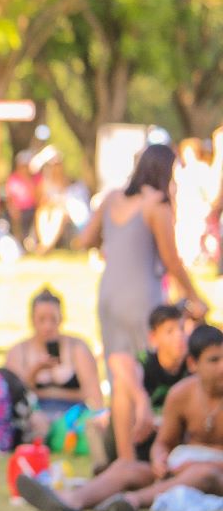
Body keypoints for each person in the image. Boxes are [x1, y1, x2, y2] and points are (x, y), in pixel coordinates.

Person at [16, 324, 223, 511]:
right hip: (181, 468)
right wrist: (159, 458)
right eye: (214, 361)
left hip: (211, 472)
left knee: (203, 473)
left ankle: (131, 501)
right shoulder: (181, 395)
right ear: (193, 364)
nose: (222, 368)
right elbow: (164, 442)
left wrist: (199, 463)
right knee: (126, 467)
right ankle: (71, 500)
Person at [76, 144, 208, 389]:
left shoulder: (113, 197)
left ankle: (119, 422)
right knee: (145, 369)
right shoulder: (157, 204)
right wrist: (194, 296)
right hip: (142, 295)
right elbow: (171, 259)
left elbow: (85, 239)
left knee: (117, 368)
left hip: (108, 292)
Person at [91, 304, 190, 466]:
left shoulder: (192, 365)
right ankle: (127, 463)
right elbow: (117, 360)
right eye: (170, 331)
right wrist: (142, 400)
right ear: (153, 337)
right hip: (137, 436)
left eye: (182, 329)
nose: (179, 336)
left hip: (169, 437)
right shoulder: (146, 362)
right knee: (122, 387)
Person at [4, 288, 103, 425]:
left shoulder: (78, 348)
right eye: (42, 320)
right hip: (34, 417)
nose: (48, 326)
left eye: (53, 319)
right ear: (32, 320)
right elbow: (14, 398)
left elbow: (94, 397)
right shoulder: (18, 351)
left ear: (61, 318)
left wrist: (46, 393)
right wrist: (35, 370)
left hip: (72, 417)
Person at [5, 150, 37, 246]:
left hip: (32, 209)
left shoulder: (36, 179)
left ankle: (31, 241)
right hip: (18, 210)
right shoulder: (13, 179)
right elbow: (9, 199)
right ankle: (19, 242)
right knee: (14, 216)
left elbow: (38, 197)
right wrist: (13, 209)